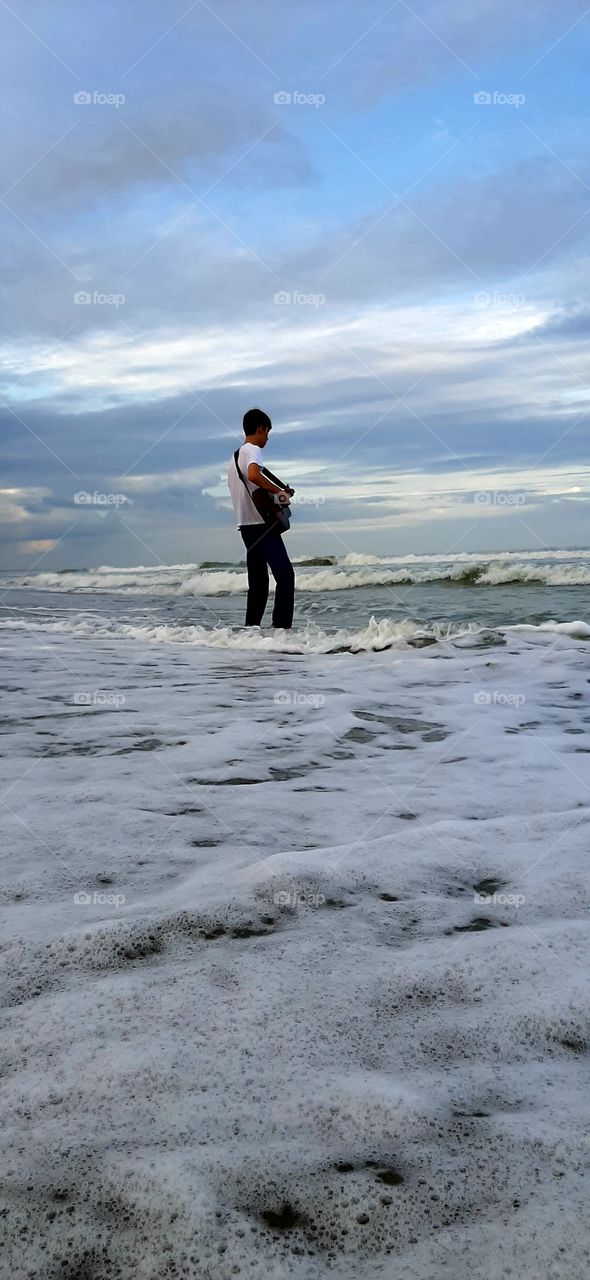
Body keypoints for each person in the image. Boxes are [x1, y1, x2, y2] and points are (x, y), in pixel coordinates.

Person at [227, 408, 295, 629]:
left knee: (258, 584)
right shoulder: (253, 450)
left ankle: (250, 633)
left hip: (245, 526)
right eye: (267, 432)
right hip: (261, 525)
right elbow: (255, 475)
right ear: (260, 429)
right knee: (285, 576)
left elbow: (249, 486)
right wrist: (280, 493)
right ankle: (282, 631)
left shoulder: (234, 458)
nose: (267, 438)